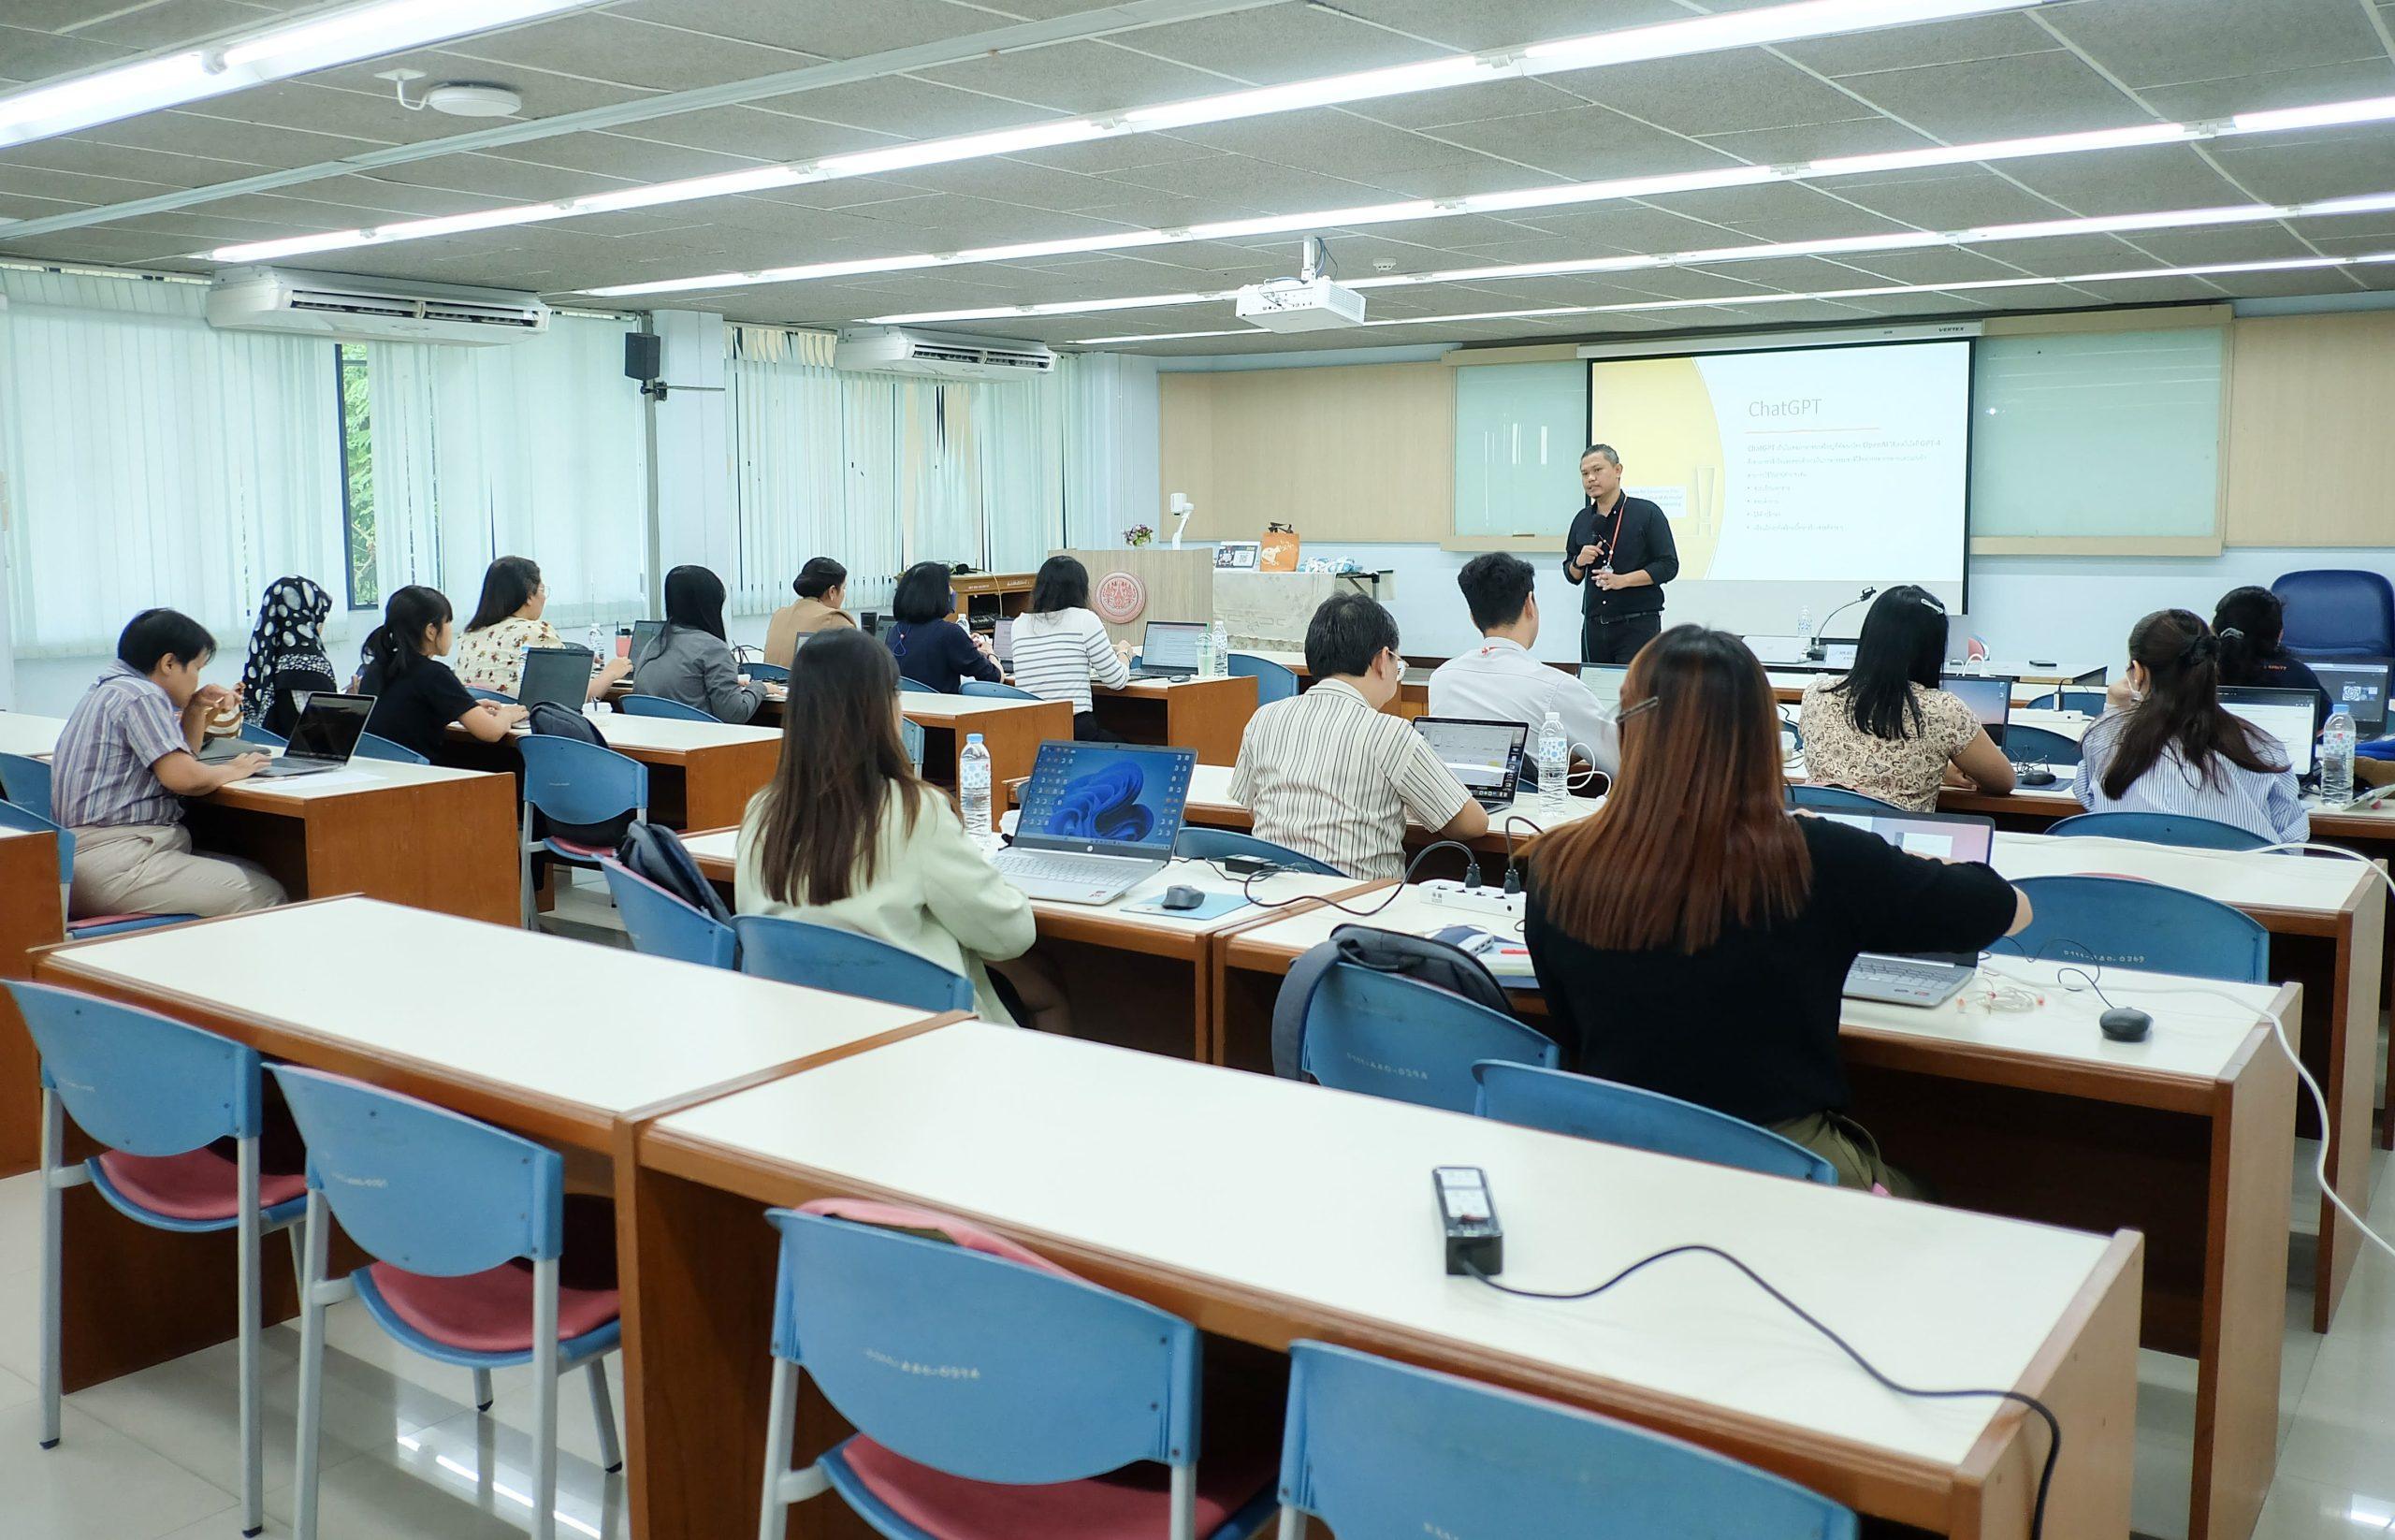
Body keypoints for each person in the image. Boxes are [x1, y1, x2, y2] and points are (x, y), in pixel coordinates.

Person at [1523, 626, 2030, 1190]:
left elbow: (1572, 1032)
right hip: (1782, 1169)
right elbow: (2004, 906)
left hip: (1621, 1164)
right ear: (1764, 737)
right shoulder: (1819, 858)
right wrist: (1875, 855)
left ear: (1628, 731)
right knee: (1950, 1195)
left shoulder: (1556, 865)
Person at [735, 629, 1053, 1027]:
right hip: (920, 1037)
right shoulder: (916, 812)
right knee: (1050, 990)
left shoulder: (761, 812)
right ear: (881, 708)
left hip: (802, 1031)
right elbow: (1010, 935)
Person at [1229, 593, 1488, 879]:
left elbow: (1254, 810)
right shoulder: (1390, 733)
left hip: (1270, 894)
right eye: (1397, 663)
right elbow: (1472, 824)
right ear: (1382, 659)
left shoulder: (1264, 719)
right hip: (1359, 898)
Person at [51, 608, 286, 919]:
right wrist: (235, 769)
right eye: (197, 669)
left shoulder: (111, 688)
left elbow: (179, 758)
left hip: (90, 859)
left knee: (254, 871)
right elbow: (184, 778)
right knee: (266, 893)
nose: (197, 679)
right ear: (169, 663)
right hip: (118, 862)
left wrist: (196, 708)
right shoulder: (143, 696)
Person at [2077, 608, 2308, 843]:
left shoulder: (2101, 738)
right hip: (2235, 867)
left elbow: (2095, 807)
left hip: (2130, 867)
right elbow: (2289, 844)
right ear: (2211, 665)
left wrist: (2114, 709)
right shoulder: (2263, 750)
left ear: (2137, 672)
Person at [1799, 586, 2015, 811]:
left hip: (1815, 831)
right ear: (1933, 649)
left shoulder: (1817, 696)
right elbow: (2003, 781)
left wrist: (1940, 769)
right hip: (1894, 834)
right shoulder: (1944, 710)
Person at [1428, 552, 1618, 784]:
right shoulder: (1556, 687)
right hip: (1529, 807)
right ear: (1530, 604)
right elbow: (1624, 762)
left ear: (1474, 618)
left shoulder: (1442, 678)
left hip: (1455, 805)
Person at [357, 586, 527, 762]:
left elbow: (407, 715)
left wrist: (466, 708)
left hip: (380, 772)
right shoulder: (434, 675)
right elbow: (491, 732)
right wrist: (508, 715)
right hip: (419, 775)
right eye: (448, 622)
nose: (450, 629)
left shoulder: (377, 669)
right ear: (431, 630)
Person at [453, 556, 632, 700]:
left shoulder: (468, 636)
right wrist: (611, 672)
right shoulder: (535, 632)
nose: (544, 598)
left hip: (478, 731)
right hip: (529, 726)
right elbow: (577, 698)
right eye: (542, 590)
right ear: (528, 596)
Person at [1561, 443, 1677, 665]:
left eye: (1597, 470)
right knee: (1595, 685)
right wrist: (1578, 562)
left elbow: (1668, 565)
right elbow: (1571, 574)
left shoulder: (1647, 513)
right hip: (1594, 627)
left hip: (1637, 625)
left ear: (1618, 470)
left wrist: (1623, 580)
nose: (1591, 478)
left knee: (1634, 686)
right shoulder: (1582, 519)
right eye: (1585, 474)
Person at [1009, 555, 1133, 740]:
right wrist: (1124, 653)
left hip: (1032, 730)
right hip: (1074, 729)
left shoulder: (1019, 624)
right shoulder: (1085, 619)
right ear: (1080, 589)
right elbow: (1116, 680)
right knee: (1136, 746)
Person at [631, 565, 766, 724]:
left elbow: (685, 685)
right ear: (710, 605)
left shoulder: (653, 645)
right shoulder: (713, 649)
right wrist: (759, 687)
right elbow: (734, 714)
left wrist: (729, 683)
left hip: (653, 737)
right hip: (699, 737)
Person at [2214, 585, 2331, 732]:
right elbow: (2325, 724)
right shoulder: (2297, 674)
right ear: (2279, 633)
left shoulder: (2201, 670)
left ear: (2215, 628)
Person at [238, 575, 339, 737]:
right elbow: (326, 730)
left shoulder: (262, 659)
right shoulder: (308, 663)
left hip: (265, 749)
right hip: (300, 750)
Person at [882, 560, 1001, 694]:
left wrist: (968, 647)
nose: (952, 591)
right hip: (943, 707)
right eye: (948, 586)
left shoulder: (894, 631)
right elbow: (994, 678)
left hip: (906, 707)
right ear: (938, 594)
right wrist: (989, 652)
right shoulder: (950, 633)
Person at [763, 556, 855, 668]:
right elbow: (859, 667)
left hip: (773, 679)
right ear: (832, 591)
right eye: (844, 588)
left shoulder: (779, 615)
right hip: (805, 680)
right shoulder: (835, 619)